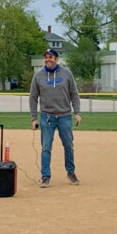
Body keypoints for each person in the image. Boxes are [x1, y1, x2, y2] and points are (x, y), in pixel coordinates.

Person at [29, 49, 82, 188]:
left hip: (64, 115)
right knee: (46, 147)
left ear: (57, 59)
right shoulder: (38, 76)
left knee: (68, 146)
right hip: (47, 116)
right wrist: (33, 118)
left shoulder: (66, 74)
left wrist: (77, 112)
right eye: (46, 57)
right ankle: (45, 176)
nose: (48, 59)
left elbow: (74, 94)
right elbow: (33, 98)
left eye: (51, 57)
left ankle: (71, 172)